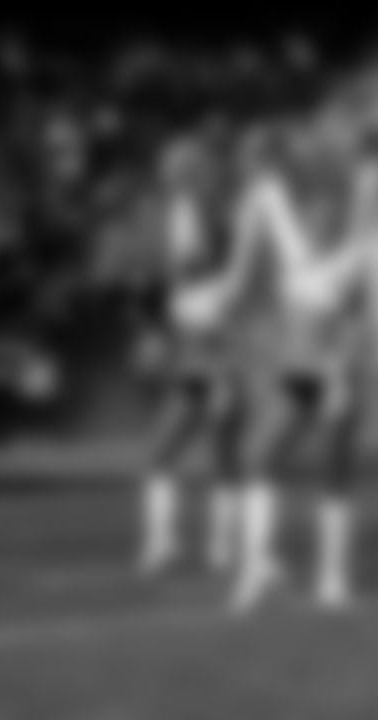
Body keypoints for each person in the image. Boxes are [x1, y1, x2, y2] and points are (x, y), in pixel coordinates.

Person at [227, 116, 376, 613]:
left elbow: (355, 318)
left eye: (324, 210)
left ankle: (333, 579)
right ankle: (259, 565)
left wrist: (341, 378)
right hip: (297, 363)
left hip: (337, 369)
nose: (315, 217)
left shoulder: (352, 254)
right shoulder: (298, 242)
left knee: (336, 468)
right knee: (259, 457)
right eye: (311, 210)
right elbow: (274, 189)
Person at [135, 138, 245, 577]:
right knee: (160, 454)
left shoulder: (212, 217)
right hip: (192, 361)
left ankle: (224, 547)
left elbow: (228, 309)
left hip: (220, 363)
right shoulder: (182, 216)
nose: (168, 173)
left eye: (176, 167)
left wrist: (224, 375)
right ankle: (163, 544)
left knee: (224, 458)